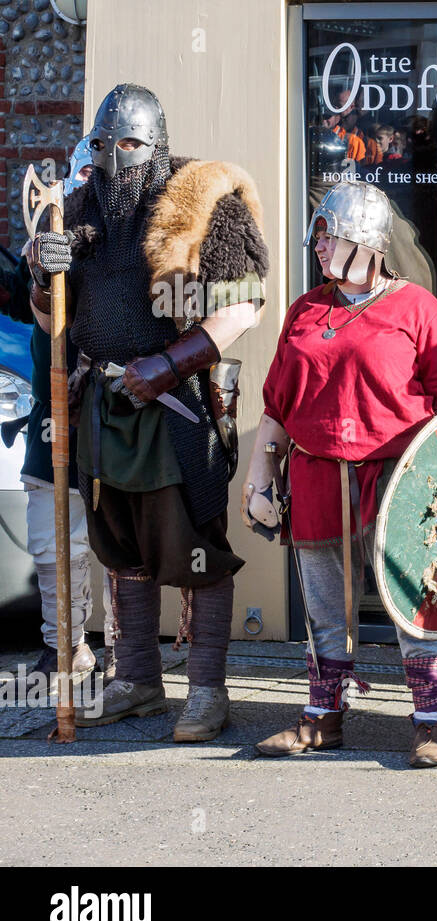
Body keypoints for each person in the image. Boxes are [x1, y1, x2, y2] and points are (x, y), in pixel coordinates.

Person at [29, 84, 269, 741]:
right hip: (103, 404)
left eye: (129, 143)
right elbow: (54, 318)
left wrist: (170, 363)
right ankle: (135, 679)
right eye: (103, 144)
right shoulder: (80, 209)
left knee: (192, 545)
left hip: (177, 404)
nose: (115, 158)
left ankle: (208, 693)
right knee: (120, 544)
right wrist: (39, 271)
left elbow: (248, 302)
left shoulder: (204, 199)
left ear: (156, 143)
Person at [248, 182, 437, 767]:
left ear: (369, 243)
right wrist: (258, 477)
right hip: (317, 477)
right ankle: (323, 718)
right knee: (325, 607)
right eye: (319, 234)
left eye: (333, 235)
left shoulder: (416, 307)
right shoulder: (306, 307)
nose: (320, 246)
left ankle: (432, 722)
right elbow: (277, 406)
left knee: (413, 599)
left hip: (398, 478)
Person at [14, 136, 97, 688]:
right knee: (51, 540)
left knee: (114, 540)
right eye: (85, 172)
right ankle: (64, 643)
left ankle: (119, 650)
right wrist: (42, 278)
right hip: (59, 406)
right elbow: (47, 344)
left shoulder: (138, 235)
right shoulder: (49, 235)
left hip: (117, 404)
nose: (93, 181)